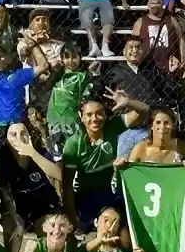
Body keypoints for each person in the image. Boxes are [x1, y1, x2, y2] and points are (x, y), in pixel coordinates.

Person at [61, 91, 148, 231]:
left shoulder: (113, 126)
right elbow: (67, 187)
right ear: (81, 116)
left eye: (99, 113)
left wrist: (128, 102)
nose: (95, 118)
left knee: (124, 236)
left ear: (106, 114)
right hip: (87, 197)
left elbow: (144, 111)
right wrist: (74, 221)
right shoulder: (73, 144)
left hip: (113, 193)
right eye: (89, 115)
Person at [0, 14, 50, 154]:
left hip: (15, 127)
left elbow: (44, 65)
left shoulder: (18, 75)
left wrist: (32, 43)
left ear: (8, 58)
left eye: (2, 56)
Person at [0, 122, 62, 236]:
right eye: (13, 135)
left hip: (43, 204)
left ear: (29, 135)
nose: (20, 138)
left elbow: (59, 175)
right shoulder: (2, 159)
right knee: (12, 228)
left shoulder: (39, 152)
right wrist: (17, 219)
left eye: (23, 133)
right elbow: (5, 194)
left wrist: (32, 153)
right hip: (18, 207)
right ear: (6, 140)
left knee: (51, 225)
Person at [47, 43, 99, 160]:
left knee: (74, 153)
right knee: (58, 157)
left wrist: (93, 74)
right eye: (66, 57)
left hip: (72, 123)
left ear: (80, 58)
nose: (70, 61)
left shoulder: (83, 77)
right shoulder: (56, 77)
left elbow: (90, 91)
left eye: (74, 57)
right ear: (61, 59)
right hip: (54, 123)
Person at [133, 0, 185, 73]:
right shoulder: (140, 21)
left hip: (170, 66)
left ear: (162, 5)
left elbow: (180, 39)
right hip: (148, 66)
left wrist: (183, 60)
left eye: (157, 3)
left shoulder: (171, 20)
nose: (154, 5)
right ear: (148, 5)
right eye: (152, 3)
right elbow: (133, 43)